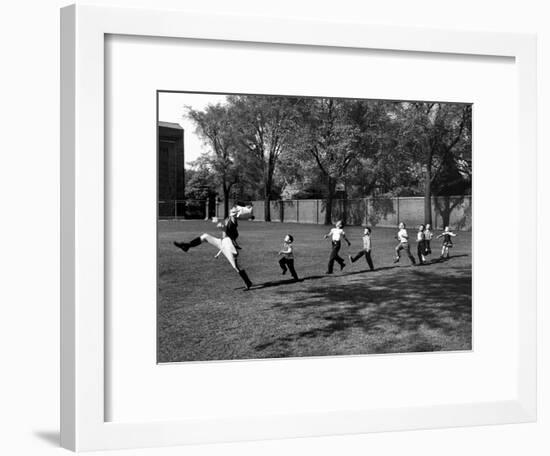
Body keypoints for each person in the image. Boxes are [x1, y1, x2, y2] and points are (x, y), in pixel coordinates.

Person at [173, 207, 252, 289]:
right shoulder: (228, 218)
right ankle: (187, 246)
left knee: (236, 266)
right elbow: (225, 229)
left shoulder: (233, 221)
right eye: (233, 210)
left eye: (234, 211)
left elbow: (231, 231)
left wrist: (224, 228)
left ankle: (248, 282)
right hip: (221, 241)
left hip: (228, 244)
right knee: (205, 236)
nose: (233, 210)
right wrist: (221, 226)